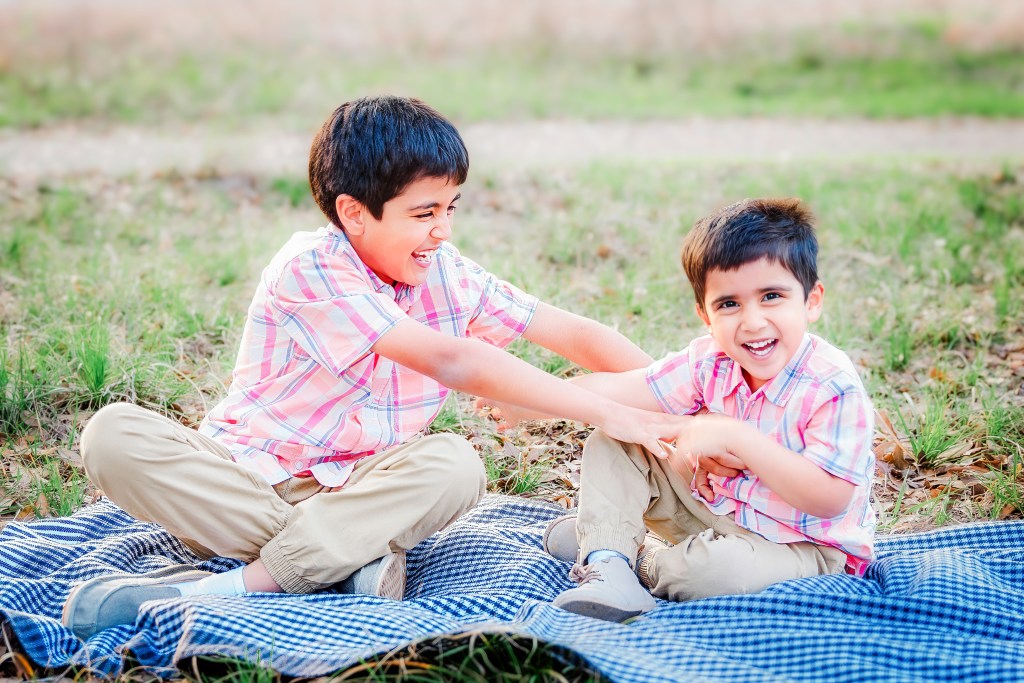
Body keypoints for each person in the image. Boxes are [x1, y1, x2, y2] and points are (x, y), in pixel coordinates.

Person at [61, 96, 687, 641]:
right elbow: (452, 359)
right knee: (112, 434)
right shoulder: (311, 267)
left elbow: (573, 333)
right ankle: (339, 562)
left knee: (455, 463)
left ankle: (232, 587)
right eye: (423, 213)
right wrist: (605, 410)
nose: (442, 230)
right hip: (240, 485)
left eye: (451, 208)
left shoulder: (446, 271)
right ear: (355, 212)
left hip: (365, 489)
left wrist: (682, 404)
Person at [498, 198, 875, 622]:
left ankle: (628, 551)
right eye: (729, 304)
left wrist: (736, 436)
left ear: (812, 300)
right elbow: (625, 392)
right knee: (617, 438)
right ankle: (607, 565)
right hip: (716, 512)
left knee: (715, 573)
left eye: (771, 296)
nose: (751, 321)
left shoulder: (831, 385)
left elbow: (829, 500)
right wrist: (531, 401)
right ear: (705, 315)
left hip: (804, 548)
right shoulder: (709, 361)